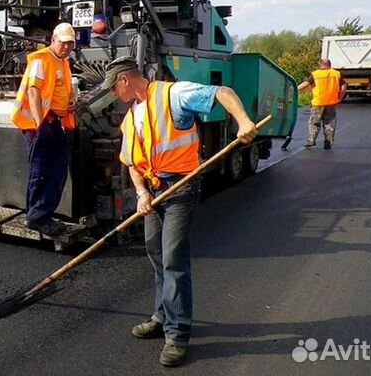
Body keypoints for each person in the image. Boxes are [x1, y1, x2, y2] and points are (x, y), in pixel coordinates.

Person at [102, 56, 257, 367]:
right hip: (154, 192)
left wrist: (243, 121)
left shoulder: (173, 94)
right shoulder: (131, 117)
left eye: (113, 87)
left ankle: (177, 334)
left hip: (181, 189)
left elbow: (222, 93)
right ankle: (161, 316)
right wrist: (142, 192)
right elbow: (131, 162)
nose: (112, 94)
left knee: (173, 260)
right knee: (155, 253)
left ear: (124, 80)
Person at [11, 22, 78, 236]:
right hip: (41, 124)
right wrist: (40, 124)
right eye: (63, 43)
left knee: (57, 170)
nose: (66, 47)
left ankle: (42, 214)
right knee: (41, 170)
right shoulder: (41, 60)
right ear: (53, 40)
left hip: (54, 122)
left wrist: (69, 103)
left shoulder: (63, 63)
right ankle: (36, 217)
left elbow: (60, 91)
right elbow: (34, 92)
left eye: (70, 44)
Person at [297, 59, 347, 149]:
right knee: (330, 123)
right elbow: (343, 87)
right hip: (331, 103)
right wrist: (340, 98)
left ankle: (311, 140)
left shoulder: (315, 74)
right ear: (329, 64)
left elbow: (306, 84)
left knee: (314, 122)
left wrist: (295, 89)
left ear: (320, 65)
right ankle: (328, 142)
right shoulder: (336, 74)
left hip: (318, 103)